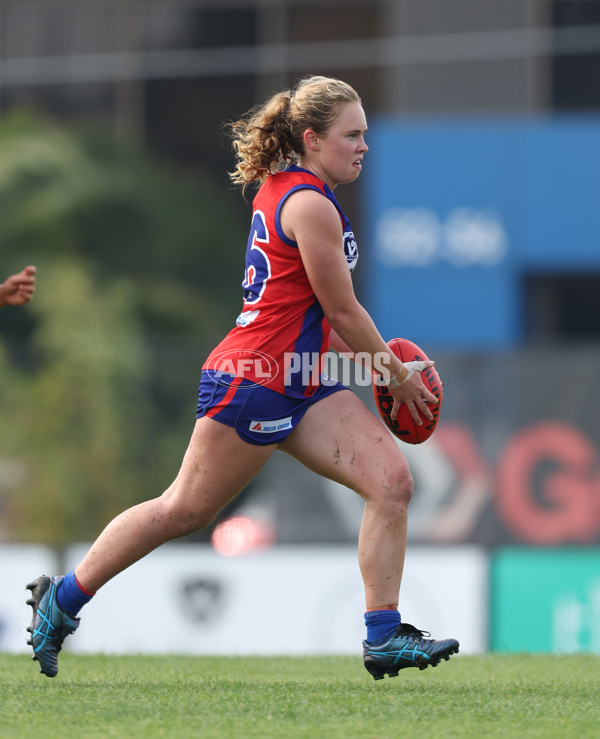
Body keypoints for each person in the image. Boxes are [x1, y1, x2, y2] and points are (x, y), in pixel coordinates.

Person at [26, 75, 459, 680]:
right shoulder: (309, 203)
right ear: (312, 138)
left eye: (365, 134)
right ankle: (63, 600)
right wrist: (394, 373)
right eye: (352, 135)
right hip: (253, 379)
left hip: (299, 376)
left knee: (391, 483)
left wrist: (376, 365)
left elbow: (318, 317)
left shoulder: (291, 188)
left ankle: (383, 636)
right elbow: (340, 310)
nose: (364, 146)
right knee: (184, 511)